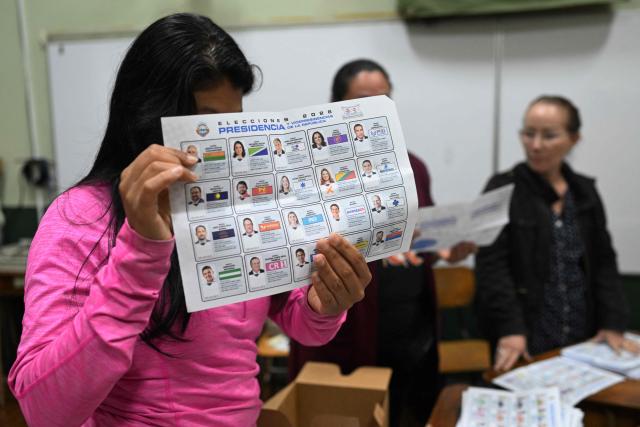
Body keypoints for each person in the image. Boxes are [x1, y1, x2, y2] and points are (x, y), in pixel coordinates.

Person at [9, 14, 371, 427]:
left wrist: (322, 305)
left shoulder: (238, 202)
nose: (221, 146)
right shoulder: (79, 218)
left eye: (230, 124)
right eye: (205, 125)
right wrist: (141, 251)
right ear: (147, 118)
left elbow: (296, 320)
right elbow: (44, 411)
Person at [288, 59, 476, 427]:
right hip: (348, 326)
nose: (374, 110)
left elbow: (421, 237)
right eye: (362, 100)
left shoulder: (412, 166)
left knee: (411, 410)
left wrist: (445, 250)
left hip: (411, 325)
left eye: (384, 99)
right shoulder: (311, 168)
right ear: (335, 105)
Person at [475, 95, 637, 373]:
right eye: (528, 134)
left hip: (581, 331)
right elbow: (492, 266)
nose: (535, 145)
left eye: (549, 135)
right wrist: (510, 328)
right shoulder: (503, 188)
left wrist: (612, 322)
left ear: (573, 139)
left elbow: (603, 262)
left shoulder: (584, 192)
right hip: (525, 332)